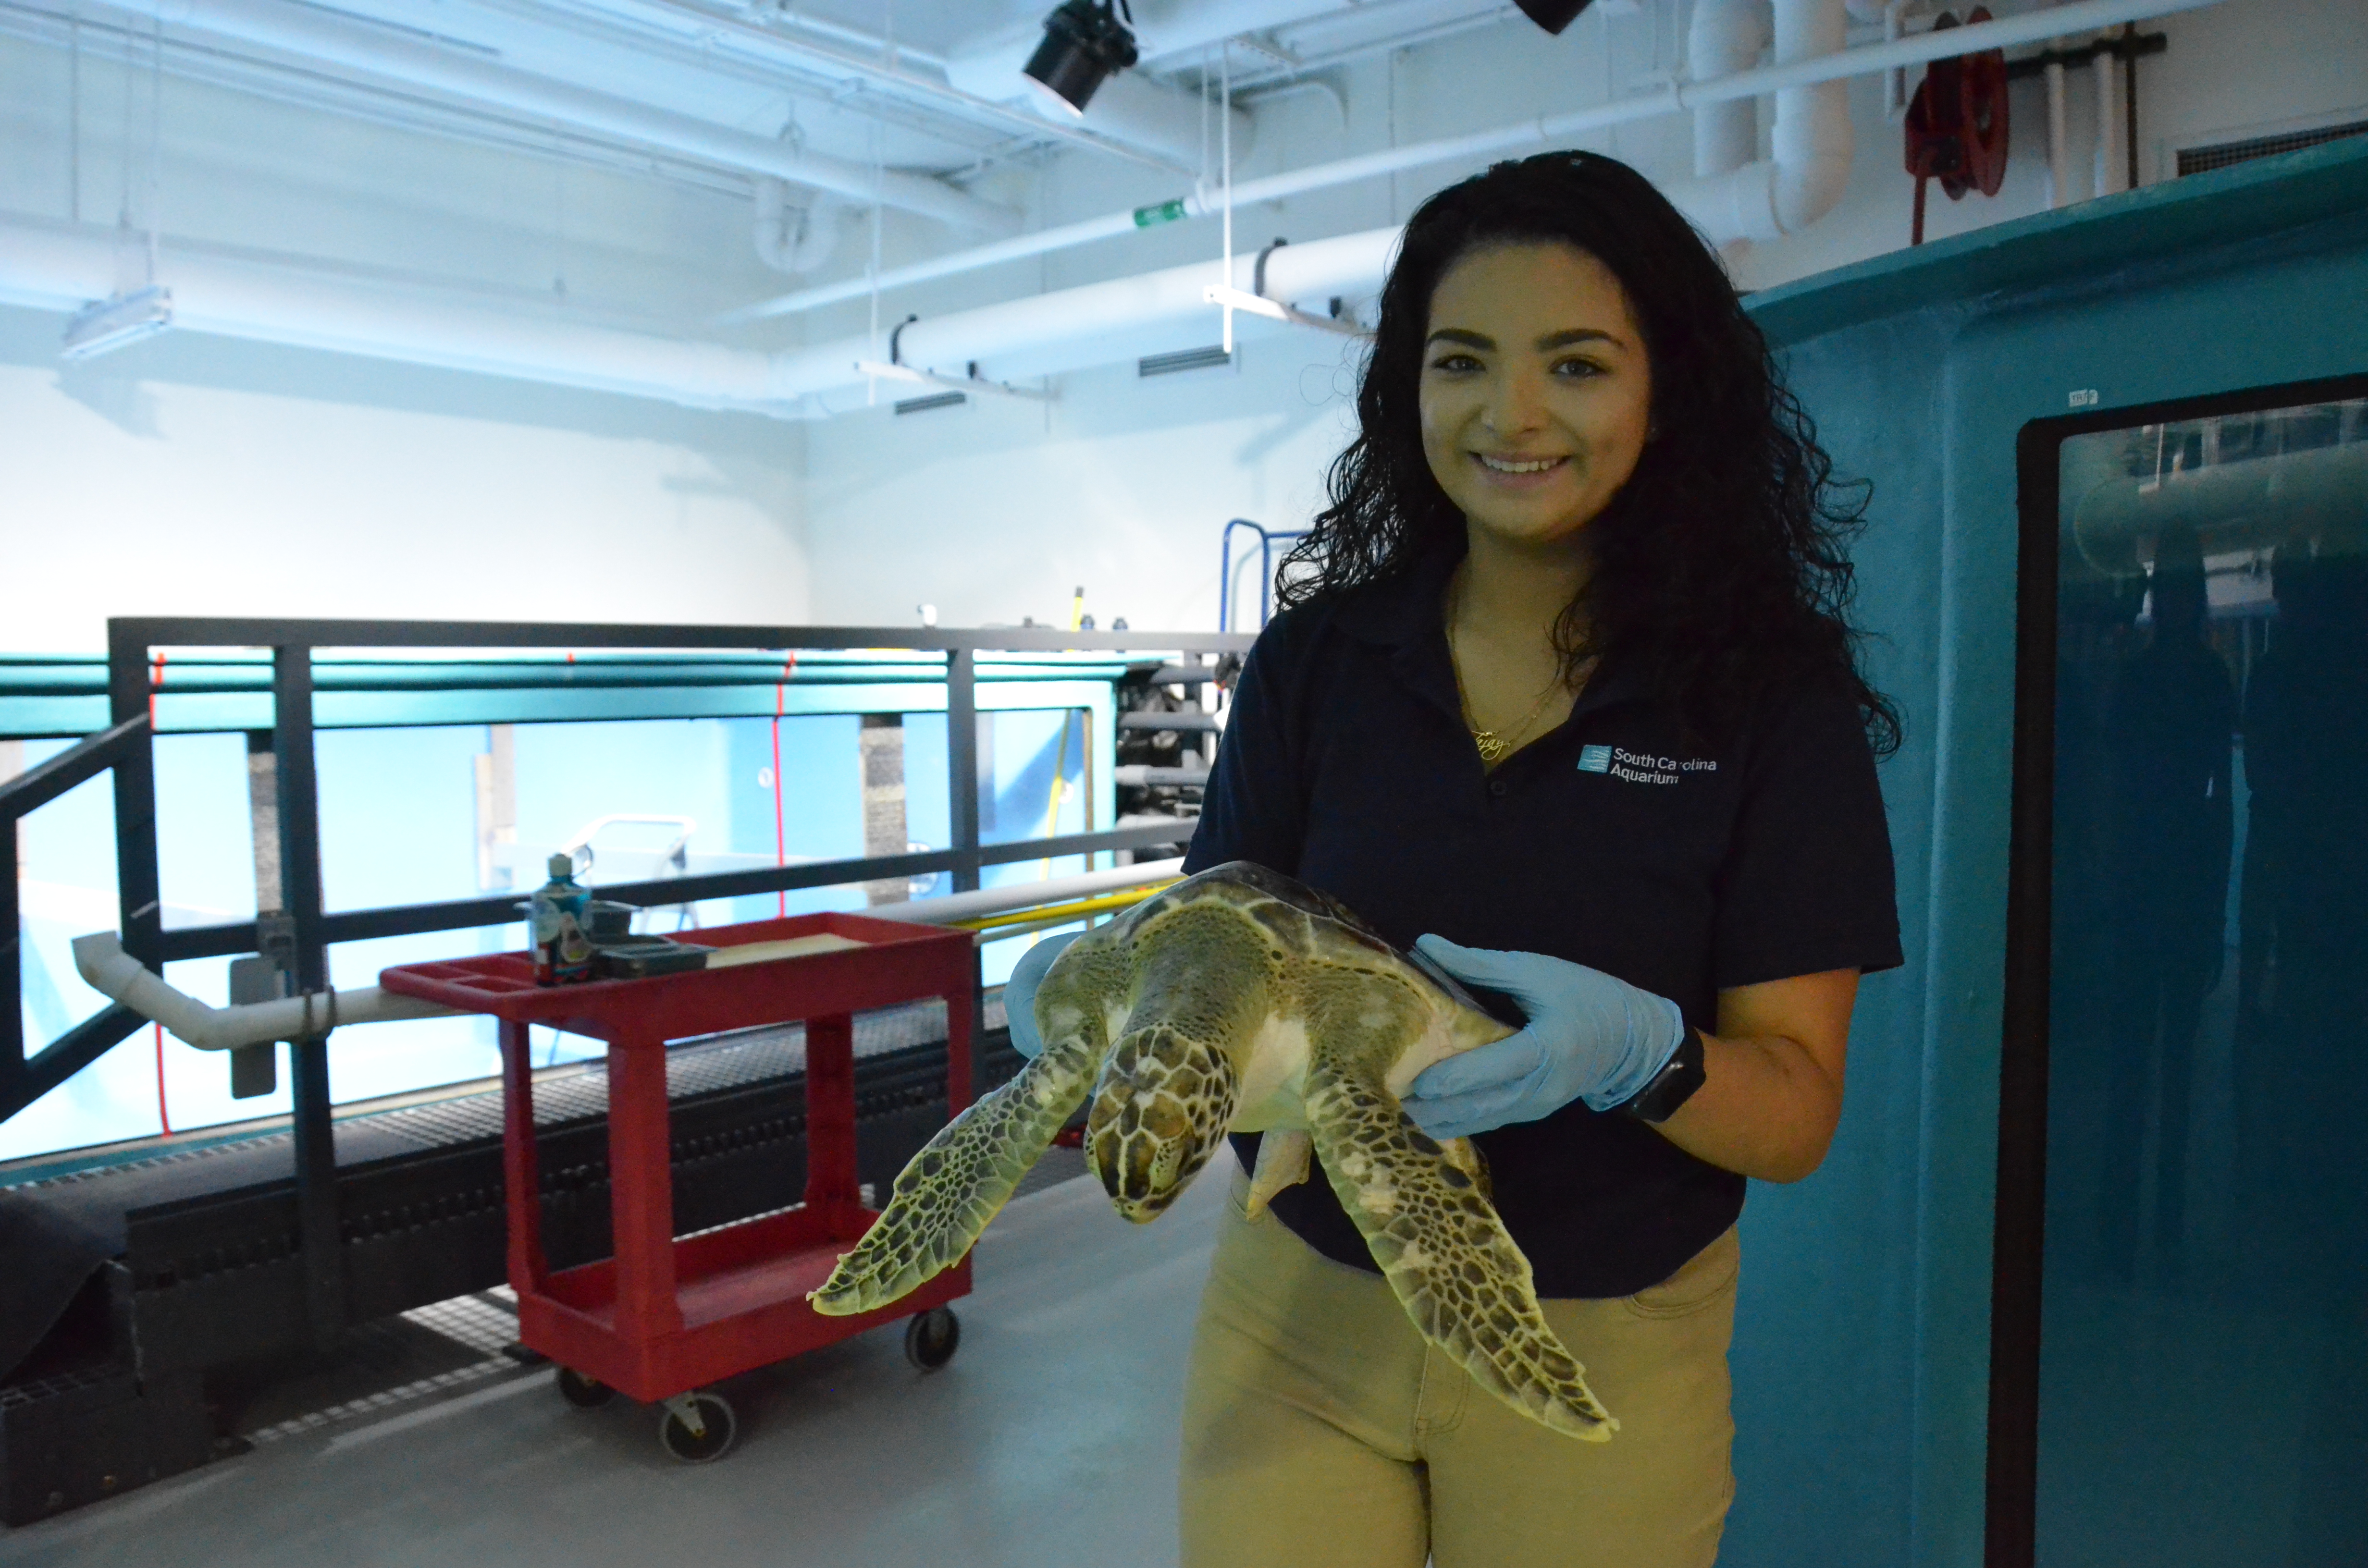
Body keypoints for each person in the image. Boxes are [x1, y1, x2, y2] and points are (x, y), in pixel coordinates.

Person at [1005, 150, 1901, 1568]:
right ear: (1407, 387)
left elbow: (1794, 1117)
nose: (1513, 413)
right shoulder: (1321, 666)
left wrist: (1640, 1055)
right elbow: (1213, 946)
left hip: (1598, 1334)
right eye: (1462, 360)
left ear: (1671, 391)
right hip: (1295, 1301)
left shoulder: (1765, 701)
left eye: (1580, 365)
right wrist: (1096, 992)